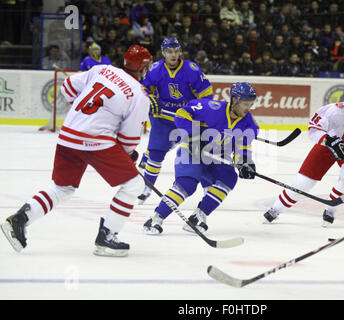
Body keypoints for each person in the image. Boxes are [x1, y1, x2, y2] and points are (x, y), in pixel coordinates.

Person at [1, 45, 154, 257]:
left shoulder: (102, 70)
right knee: (134, 184)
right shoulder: (139, 95)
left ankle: (18, 220)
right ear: (144, 68)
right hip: (97, 141)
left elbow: (68, 87)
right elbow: (128, 140)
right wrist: (128, 155)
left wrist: (85, 118)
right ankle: (107, 238)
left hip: (68, 134)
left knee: (63, 188)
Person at [142, 82, 258, 235]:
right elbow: (182, 113)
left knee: (228, 177)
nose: (248, 108)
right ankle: (155, 219)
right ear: (235, 100)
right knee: (187, 184)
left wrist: (245, 161)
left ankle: (198, 217)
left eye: (251, 104)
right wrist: (192, 136)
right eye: (245, 104)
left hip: (216, 156)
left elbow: (242, 144)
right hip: (192, 150)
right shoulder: (212, 108)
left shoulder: (249, 123)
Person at [263, 88, 344, 226]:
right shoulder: (336, 111)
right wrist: (329, 140)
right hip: (329, 143)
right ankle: (275, 209)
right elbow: (314, 127)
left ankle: (330, 209)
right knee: (302, 183)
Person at [137, 37, 213, 204]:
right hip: (163, 119)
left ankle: (208, 188)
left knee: (198, 155)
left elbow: (206, 95)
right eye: (169, 52)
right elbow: (143, 91)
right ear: (163, 53)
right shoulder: (155, 69)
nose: (173, 55)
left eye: (176, 51)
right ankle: (147, 188)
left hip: (187, 119)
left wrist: (203, 114)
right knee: (155, 155)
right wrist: (149, 100)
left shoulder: (192, 69)